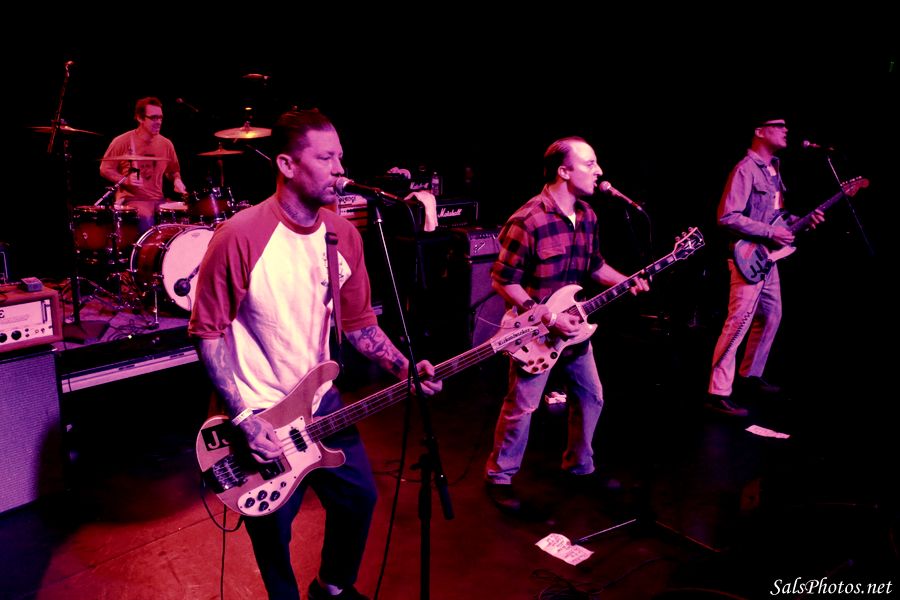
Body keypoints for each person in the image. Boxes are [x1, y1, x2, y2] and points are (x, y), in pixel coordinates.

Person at [188, 109, 442, 600]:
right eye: (325, 158)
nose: (340, 169)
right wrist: (242, 419)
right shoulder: (240, 236)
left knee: (359, 499)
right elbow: (208, 333)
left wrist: (404, 369)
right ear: (286, 165)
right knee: (273, 533)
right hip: (259, 414)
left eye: (340, 157)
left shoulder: (342, 235)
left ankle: (331, 587)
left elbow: (362, 325)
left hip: (322, 402)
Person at [484, 136, 649, 513]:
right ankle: (499, 476)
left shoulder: (588, 216)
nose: (599, 171)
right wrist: (544, 315)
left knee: (591, 396)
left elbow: (595, 267)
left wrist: (629, 281)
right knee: (522, 407)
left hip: (574, 328)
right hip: (536, 333)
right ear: (563, 171)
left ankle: (579, 466)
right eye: (589, 164)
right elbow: (502, 279)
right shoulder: (528, 219)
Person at [706, 116, 824, 417]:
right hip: (747, 257)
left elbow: (775, 215)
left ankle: (750, 375)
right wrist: (771, 232)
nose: (786, 130)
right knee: (738, 324)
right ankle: (717, 392)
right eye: (778, 126)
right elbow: (727, 216)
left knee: (771, 315)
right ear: (759, 131)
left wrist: (801, 221)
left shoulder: (774, 170)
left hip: (769, 258)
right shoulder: (745, 169)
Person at [100, 97, 187, 233]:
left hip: (158, 200)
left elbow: (172, 170)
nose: (159, 122)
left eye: (160, 118)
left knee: (183, 216)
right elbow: (105, 169)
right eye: (153, 118)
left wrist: (177, 180)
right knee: (145, 218)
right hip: (132, 200)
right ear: (140, 118)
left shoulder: (166, 144)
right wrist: (125, 180)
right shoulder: (122, 141)